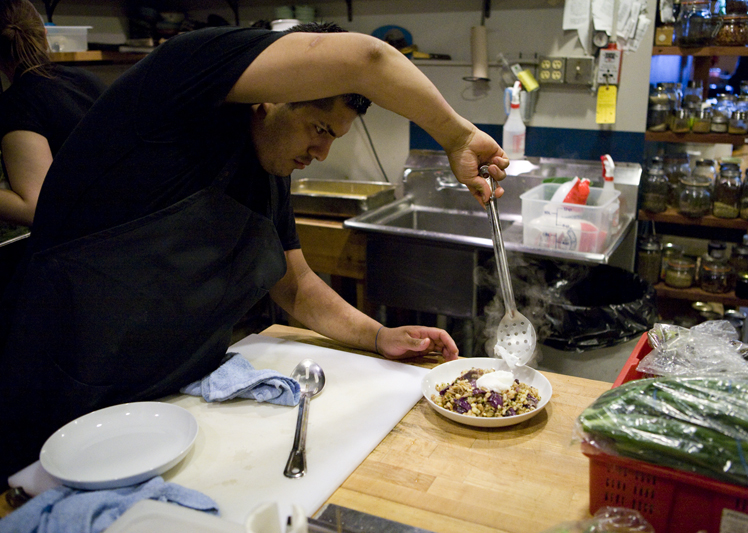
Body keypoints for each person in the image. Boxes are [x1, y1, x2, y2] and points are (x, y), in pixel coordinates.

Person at [0, 21, 509, 482]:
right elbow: (368, 58)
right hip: (62, 393)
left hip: (164, 409)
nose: (322, 152)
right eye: (319, 128)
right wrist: (457, 135)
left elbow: (296, 284)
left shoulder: (269, 169)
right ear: (273, 96)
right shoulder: (180, 78)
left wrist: (378, 335)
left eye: (334, 137)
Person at [0, 0, 106, 227]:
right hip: (130, 222)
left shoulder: (17, 102)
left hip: (85, 236)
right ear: (45, 35)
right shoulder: (86, 79)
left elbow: (34, 208)